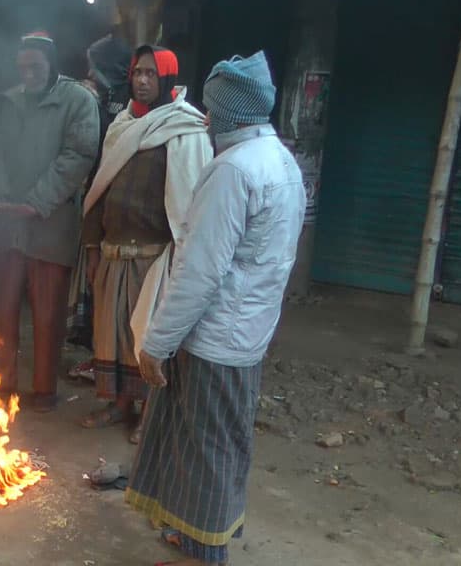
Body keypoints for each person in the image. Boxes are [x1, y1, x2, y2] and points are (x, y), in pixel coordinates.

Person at [127, 51, 305, 566]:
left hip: (214, 339)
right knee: (209, 441)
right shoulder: (281, 162)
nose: (205, 118)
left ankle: (204, 555)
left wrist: (156, 343)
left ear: (231, 112)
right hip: (246, 334)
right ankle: (192, 537)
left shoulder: (233, 170)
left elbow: (200, 271)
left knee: (205, 450)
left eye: (213, 108)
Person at [79, 46, 212, 444]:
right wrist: (91, 247)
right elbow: (98, 188)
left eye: (151, 74)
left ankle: (150, 414)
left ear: (167, 79)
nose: (141, 80)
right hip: (113, 251)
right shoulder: (121, 125)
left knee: (147, 337)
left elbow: (191, 199)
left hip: (155, 256)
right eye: (137, 72)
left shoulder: (186, 129)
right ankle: (119, 404)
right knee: (112, 332)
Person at [0, 32, 100, 412]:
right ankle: (3, 384)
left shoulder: (78, 101)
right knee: (2, 311)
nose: (28, 74)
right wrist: (1, 196)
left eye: (36, 67)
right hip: (9, 225)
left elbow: (79, 155)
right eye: (22, 68)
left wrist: (36, 202)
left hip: (51, 224)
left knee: (48, 313)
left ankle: (44, 391)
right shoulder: (7, 102)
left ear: (52, 66)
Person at [67, 33, 133, 376]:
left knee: (111, 288)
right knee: (96, 282)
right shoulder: (103, 97)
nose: (91, 75)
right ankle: (99, 356)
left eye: (95, 68)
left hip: (119, 212)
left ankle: (110, 360)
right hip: (97, 203)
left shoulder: (126, 104)